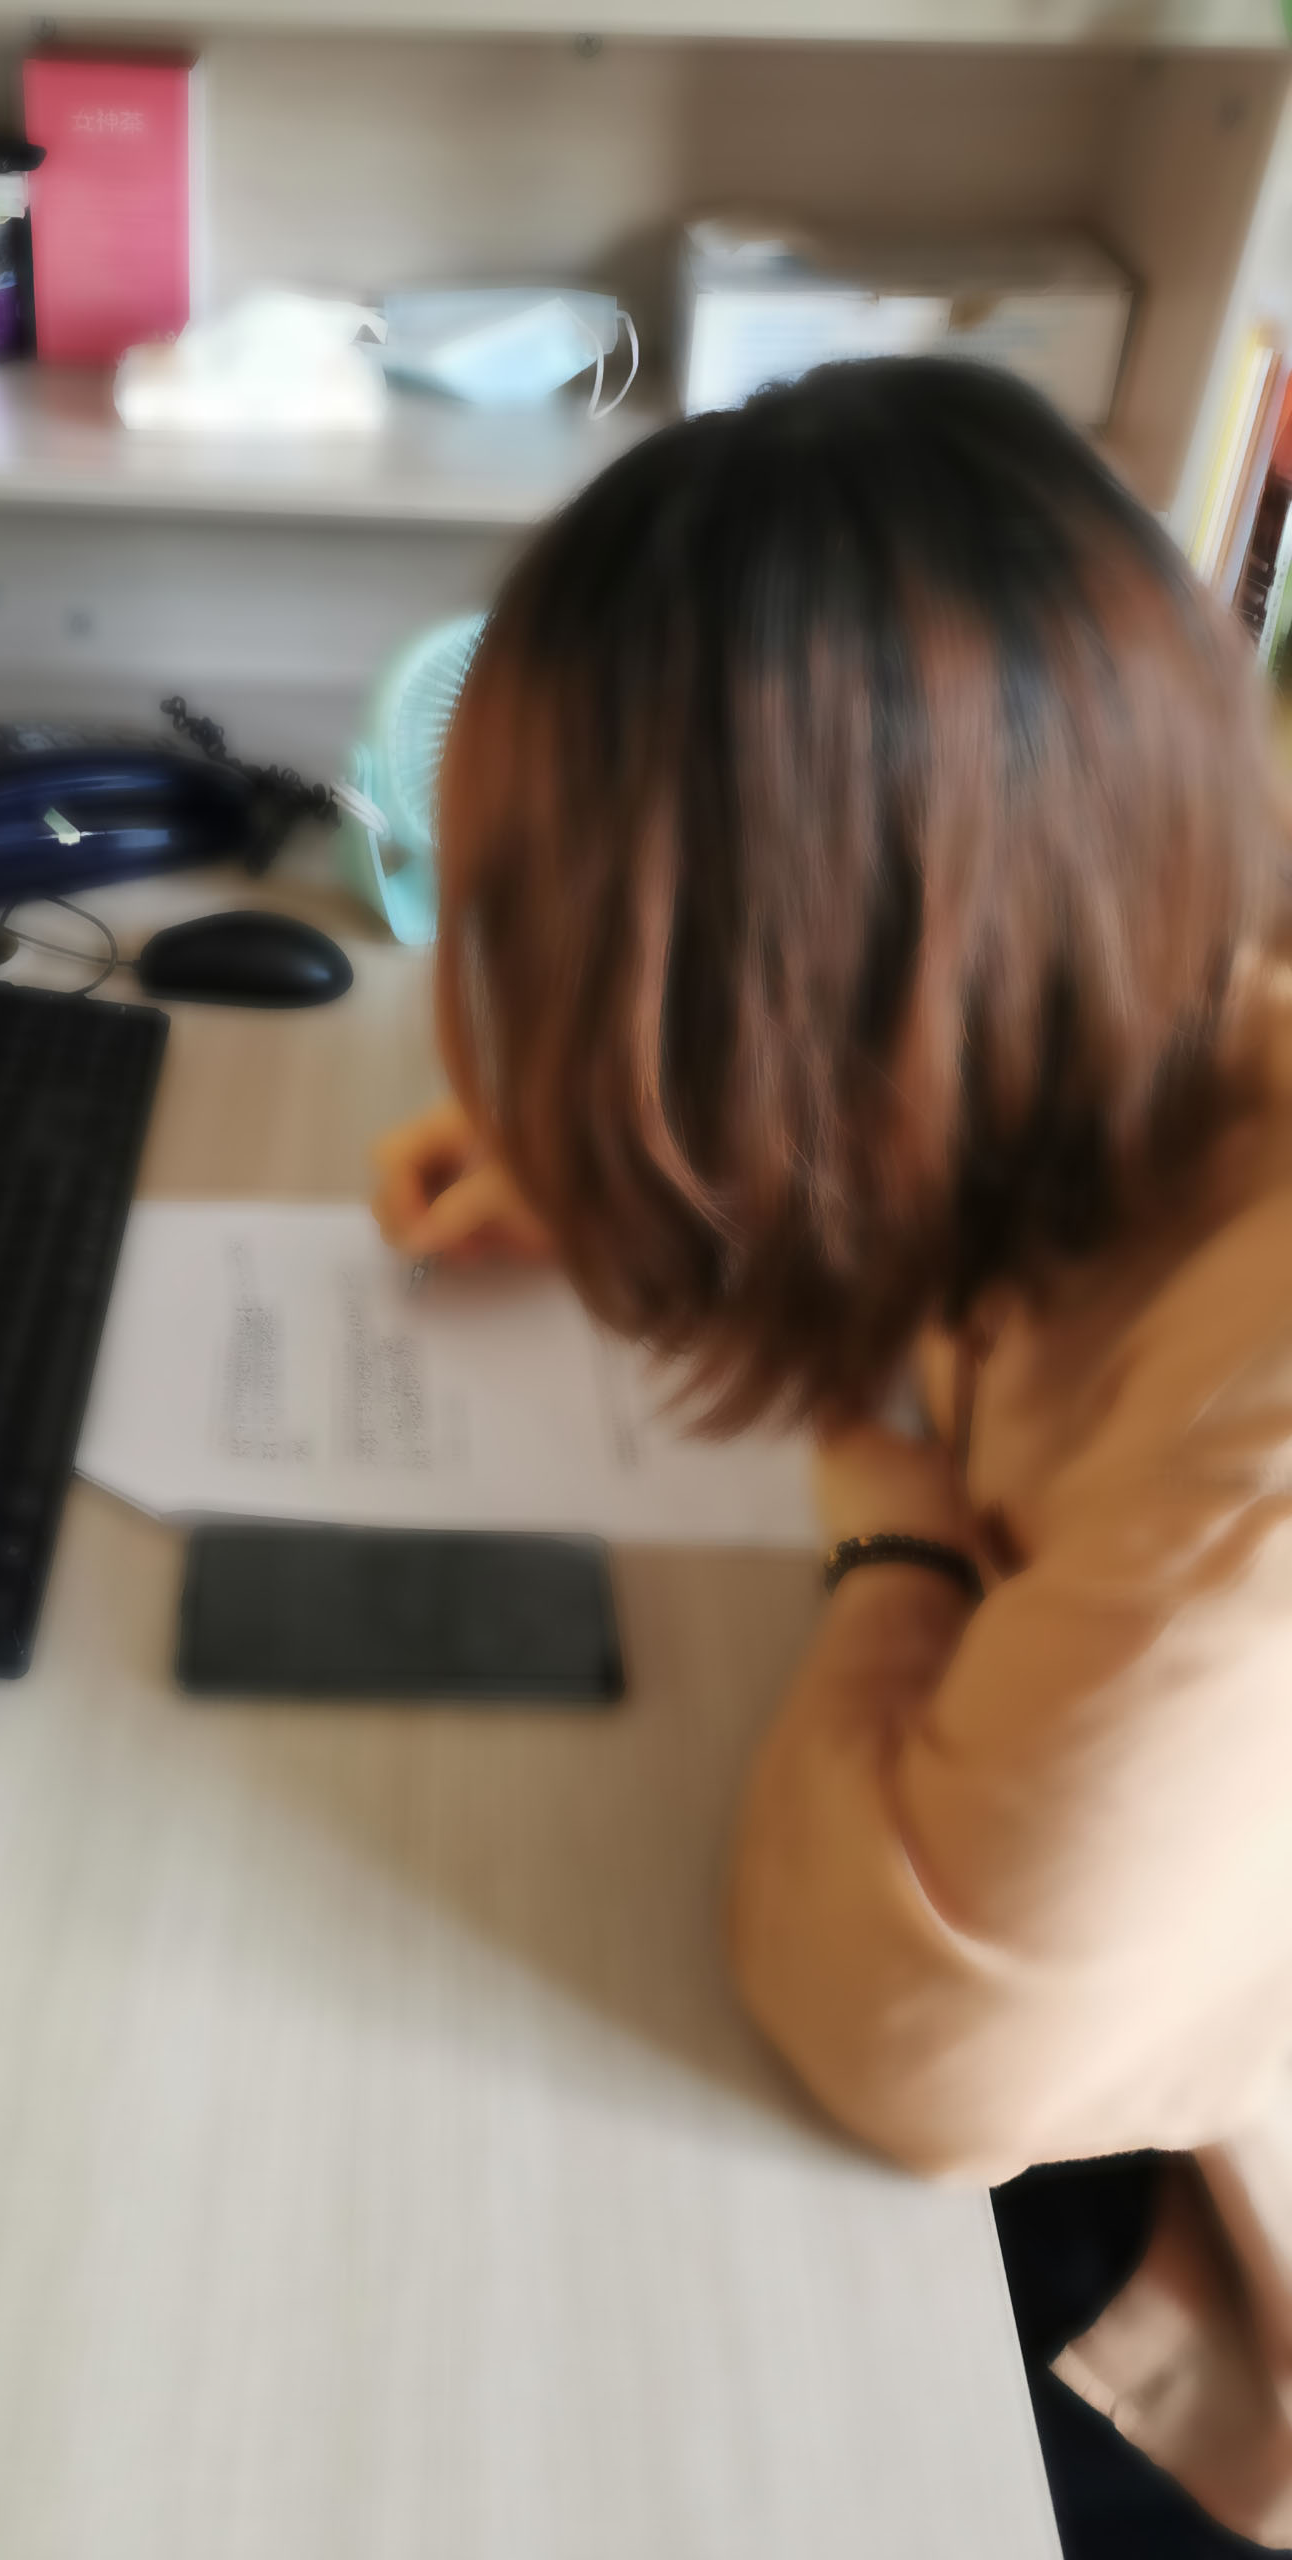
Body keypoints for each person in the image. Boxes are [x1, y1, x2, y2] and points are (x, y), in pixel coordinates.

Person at [372, 357, 1292, 2556]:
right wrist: (625, 1156)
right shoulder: (1161, 1011)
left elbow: (918, 2038)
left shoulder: (1255, 1424)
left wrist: (885, 1519)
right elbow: (965, 1161)